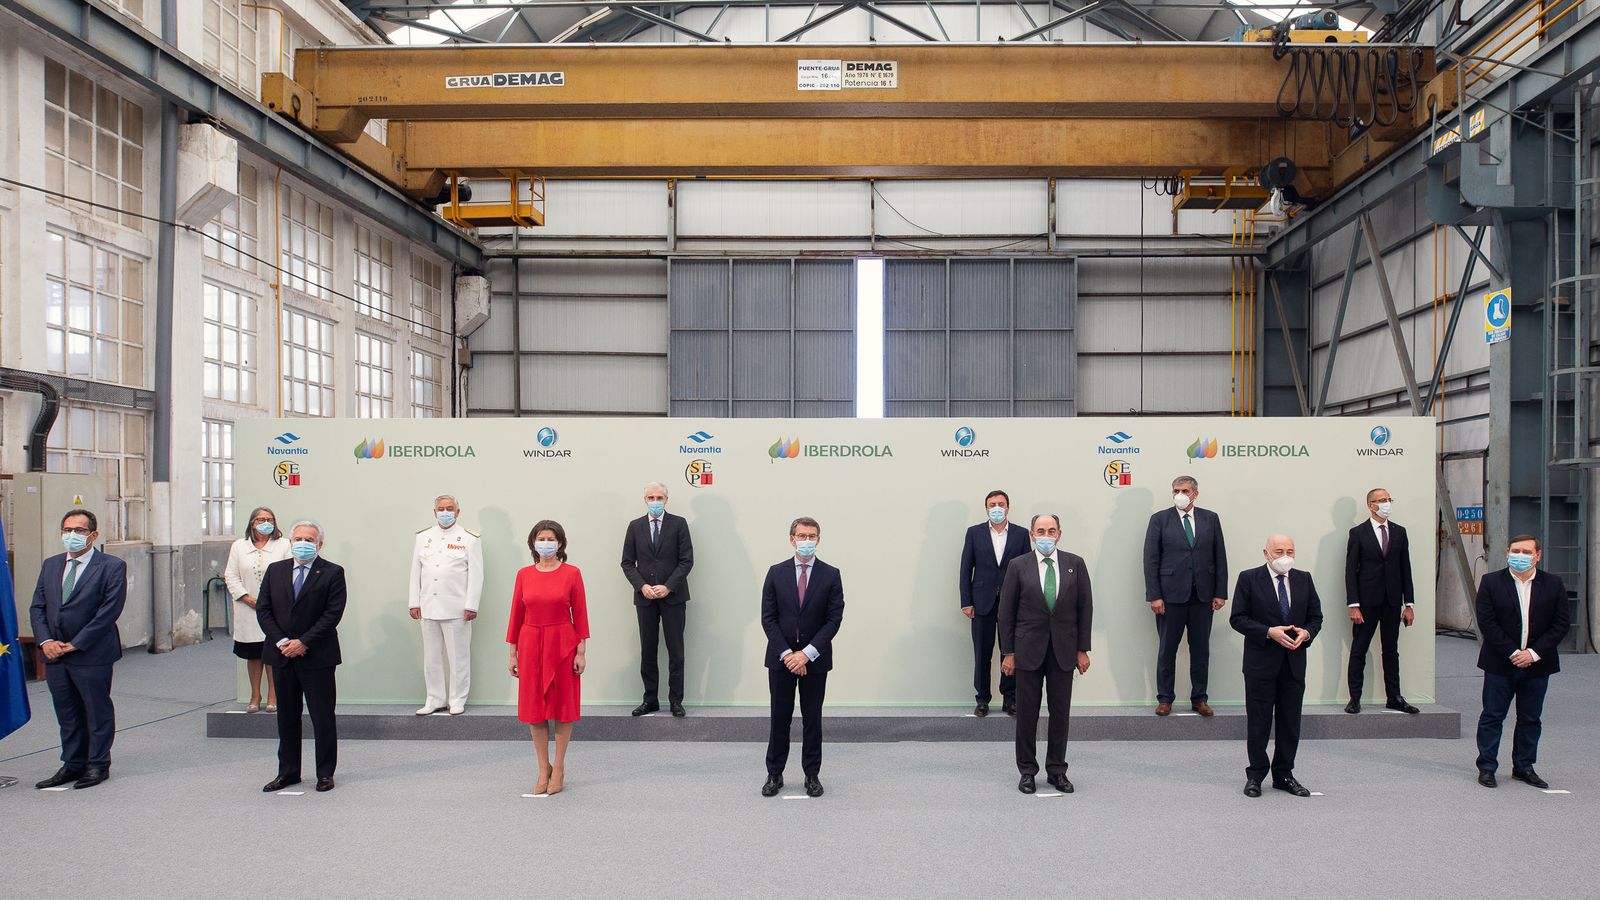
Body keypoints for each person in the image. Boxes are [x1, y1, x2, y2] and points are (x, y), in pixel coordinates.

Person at [30, 508, 128, 790]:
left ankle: (98, 764)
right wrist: (46, 641)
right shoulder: (51, 565)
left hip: (91, 653)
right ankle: (72, 763)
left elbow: (108, 612)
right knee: (67, 711)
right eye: (67, 530)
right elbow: (38, 606)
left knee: (96, 710)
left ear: (93, 535)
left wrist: (76, 643)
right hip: (54, 653)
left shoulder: (111, 566)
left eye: (79, 531)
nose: (72, 535)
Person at [999, 514, 1093, 795]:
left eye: (1051, 530)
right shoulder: (1018, 566)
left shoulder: (1075, 564)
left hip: (1064, 651)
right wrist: (1008, 652)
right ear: (1031, 534)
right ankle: (1027, 771)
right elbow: (1006, 613)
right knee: (1027, 714)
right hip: (1027, 651)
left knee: (1060, 714)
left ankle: (1057, 770)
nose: (1046, 535)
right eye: (1040, 530)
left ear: (1060, 534)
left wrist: (1082, 649)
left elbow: (1085, 609)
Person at [1229, 533, 1323, 799]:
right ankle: (1256, 774)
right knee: (1258, 722)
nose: (1285, 557)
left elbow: (1316, 617)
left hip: (1293, 664)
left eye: (1290, 551)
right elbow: (1238, 619)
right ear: (1266, 553)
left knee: (1290, 722)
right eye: (1279, 551)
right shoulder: (1249, 578)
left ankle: (1284, 774)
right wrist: (1269, 632)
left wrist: (1306, 633)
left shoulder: (1304, 579)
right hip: (1260, 664)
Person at [1473, 535, 1570, 790]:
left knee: (1530, 718)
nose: (1520, 555)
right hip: (1500, 663)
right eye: (1516, 550)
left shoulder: (1553, 584)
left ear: (1538, 555)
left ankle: (1524, 767)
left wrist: (1533, 653)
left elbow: (1561, 624)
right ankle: (1487, 767)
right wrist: (1513, 652)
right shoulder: (1491, 582)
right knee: (1493, 716)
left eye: (1526, 551)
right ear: (1507, 553)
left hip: (1538, 664)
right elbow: (1487, 622)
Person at [258, 521, 346, 794]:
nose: (303, 543)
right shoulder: (275, 571)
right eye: (298, 538)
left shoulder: (332, 572)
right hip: (282, 654)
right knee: (287, 717)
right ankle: (288, 772)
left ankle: (324, 773)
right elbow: (264, 610)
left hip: (317, 656)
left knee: (322, 717)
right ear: (291, 541)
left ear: (320, 543)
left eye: (309, 539)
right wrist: (284, 641)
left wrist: (303, 642)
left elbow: (332, 614)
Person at [760, 517, 845, 799]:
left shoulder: (831, 575)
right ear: (791, 539)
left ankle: (812, 774)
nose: (806, 540)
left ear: (818, 539)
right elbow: (768, 618)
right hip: (781, 659)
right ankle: (774, 773)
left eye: (811, 536)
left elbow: (833, 620)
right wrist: (787, 654)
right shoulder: (775, 572)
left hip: (815, 661)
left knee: (812, 719)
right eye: (801, 535)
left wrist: (806, 655)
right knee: (779, 718)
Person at [508, 520, 589, 795]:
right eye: (540, 538)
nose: (545, 543)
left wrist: (581, 651)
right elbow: (515, 616)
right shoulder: (523, 574)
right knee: (535, 709)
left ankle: (560, 765)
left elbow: (580, 614)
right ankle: (543, 768)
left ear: (560, 543)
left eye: (550, 539)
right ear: (533, 543)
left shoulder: (572, 573)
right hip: (530, 643)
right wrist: (512, 653)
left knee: (563, 707)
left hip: (563, 644)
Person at [1143, 475, 1227, 717]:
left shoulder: (1211, 519)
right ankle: (1165, 698)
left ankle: (1199, 698)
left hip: (1202, 596)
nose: (1179, 494)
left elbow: (1219, 556)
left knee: (1201, 650)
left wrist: (1220, 592)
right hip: (1170, 597)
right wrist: (1154, 596)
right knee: (1167, 649)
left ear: (1195, 494)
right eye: (1176, 490)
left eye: (1185, 490)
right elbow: (1151, 560)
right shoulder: (1159, 519)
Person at [620, 482, 694, 717]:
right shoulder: (635, 526)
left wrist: (668, 586)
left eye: (659, 497)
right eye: (650, 497)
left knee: (676, 651)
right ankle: (650, 699)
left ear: (666, 499)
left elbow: (686, 560)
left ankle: (675, 701)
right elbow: (627, 562)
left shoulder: (679, 524)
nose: (655, 501)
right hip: (645, 599)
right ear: (644, 500)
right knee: (648, 650)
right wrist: (642, 586)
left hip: (673, 597)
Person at [1343, 487, 1418, 714]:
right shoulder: (1358, 533)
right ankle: (1355, 698)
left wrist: (1409, 604)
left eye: (1388, 499)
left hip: (1392, 601)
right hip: (1366, 603)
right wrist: (1353, 604)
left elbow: (1406, 568)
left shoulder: (1399, 532)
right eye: (1381, 500)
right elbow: (1350, 571)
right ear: (1370, 505)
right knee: (1359, 650)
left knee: (1391, 650)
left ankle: (1394, 697)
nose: (1386, 503)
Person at [408, 494, 484, 716]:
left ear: (458, 512)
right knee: (431, 657)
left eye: (450, 508)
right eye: (441, 508)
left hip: (457, 607)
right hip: (429, 604)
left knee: (458, 657)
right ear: (434, 512)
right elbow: (416, 572)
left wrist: (472, 605)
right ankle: (435, 698)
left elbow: (477, 575)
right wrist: (414, 601)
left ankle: (457, 699)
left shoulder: (469, 538)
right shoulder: (423, 537)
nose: (445, 512)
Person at [958, 489, 1030, 717]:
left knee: (1010, 651)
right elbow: (965, 568)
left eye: (1001, 504)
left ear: (1008, 507)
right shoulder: (974, 533)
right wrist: (966, 601)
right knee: (982, 652)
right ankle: (982, 700)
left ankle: (1010, 699)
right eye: (992, 504)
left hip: (1013, 602)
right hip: (981, 603)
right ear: (986, 508)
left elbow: (1027, 569)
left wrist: (1027, 602)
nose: (997, 508)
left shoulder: (1020, 534)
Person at [223, 506, 290, 713]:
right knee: (253, 654)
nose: (265, 522)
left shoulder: (284, 544)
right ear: (252, 523)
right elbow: (231, 575)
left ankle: (273, 695)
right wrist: (246, 597)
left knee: (272, 652)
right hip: (247, 607)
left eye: (269, 519)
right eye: (261, 519)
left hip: (274, 609)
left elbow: (288, 573)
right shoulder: (239, 546)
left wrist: (269, 602)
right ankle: (255, 695)